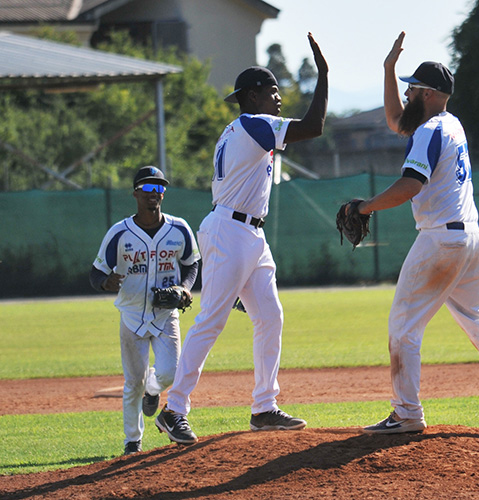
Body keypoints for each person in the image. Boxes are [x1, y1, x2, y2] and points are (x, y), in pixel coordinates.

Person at [353, 32, 479, 438]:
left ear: (429, 94)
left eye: (413, 89)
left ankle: (406, 413)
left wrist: (363, 207)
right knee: (478, 323)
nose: (408, 96)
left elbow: (409, 186)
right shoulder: (450, 125)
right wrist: (388, 69)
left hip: (442, 241)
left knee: (403, 326)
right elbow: (395, 121)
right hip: (471, 240)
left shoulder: (429, 131)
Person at [155, 33, 328, 444]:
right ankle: (173, 408)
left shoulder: (239, 128)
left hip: (249, 234)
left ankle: (264, 407)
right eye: (272, 91)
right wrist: (322, 75)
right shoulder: (254, 124)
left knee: (270, 316)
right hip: (230, 231)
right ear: (253, 97)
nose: (278, 97)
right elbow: (315, 127)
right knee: (211, 320)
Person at [90, 165, 201, 456]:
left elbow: (191, 264)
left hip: (166, 314)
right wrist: (106, 282)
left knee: (170, 372)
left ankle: (154, 390)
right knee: (132, 383)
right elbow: (95, 272)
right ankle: (132, 442)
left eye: (160, 188)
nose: (155, 194)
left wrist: (186, 288)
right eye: (149, 188)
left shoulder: (179, 229)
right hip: (131, 315)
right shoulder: (120, 233)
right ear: (136, 193)